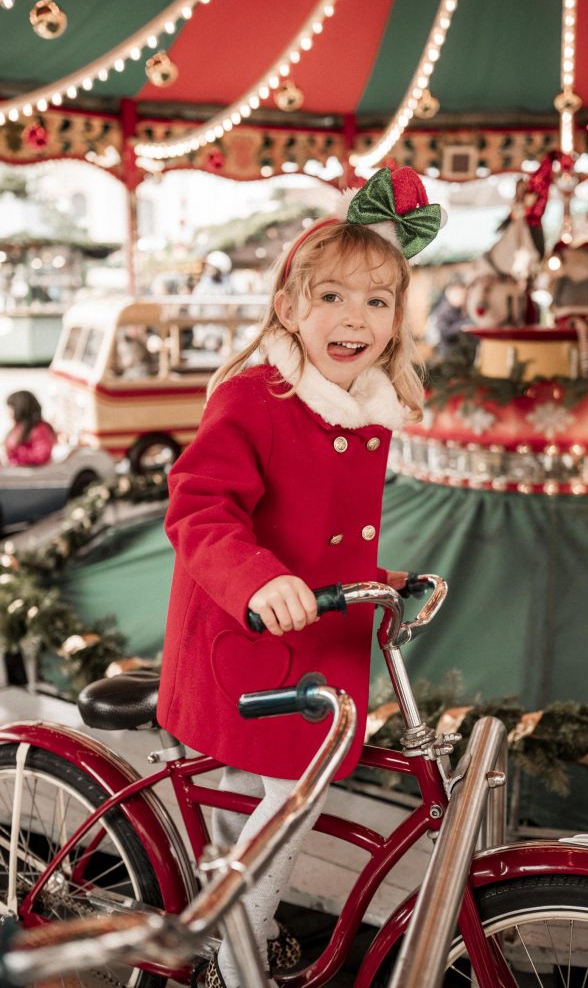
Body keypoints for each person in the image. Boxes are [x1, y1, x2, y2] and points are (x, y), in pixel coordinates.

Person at [157, 166, 445, 988]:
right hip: (247, 644)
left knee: (282, 799)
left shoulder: (362, 406)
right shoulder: (257, 396)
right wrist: (255, 581)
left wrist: (384, 578)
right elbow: (200, 506)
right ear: (289, 307)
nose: (354, 317)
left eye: (377, 301)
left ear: (396, 322)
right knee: (287, 806)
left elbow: (321, 536)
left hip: (312, 643)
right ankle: (225, 960)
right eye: (332, 298)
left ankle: (234, 935)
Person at [1, 390, 56, 467]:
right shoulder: (18, 428)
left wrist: (15, 453)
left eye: (11, 407)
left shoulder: (40, 428)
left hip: (31, 476)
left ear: (21, 407)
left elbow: (41, 456)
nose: (8, 411)